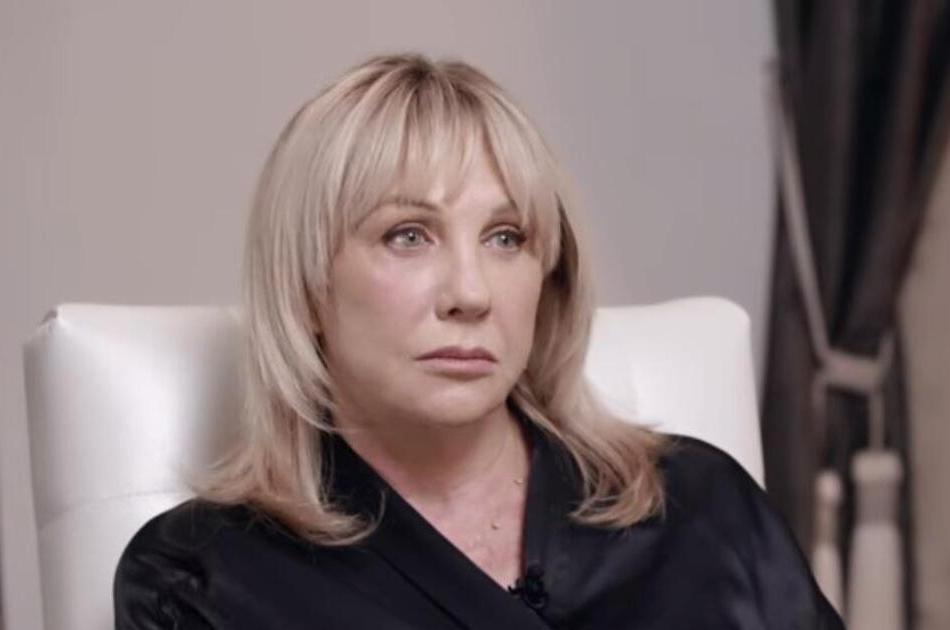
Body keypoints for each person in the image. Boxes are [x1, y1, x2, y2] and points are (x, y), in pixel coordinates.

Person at [113, 53, 844, 629]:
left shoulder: (702, 506)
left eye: (506, 237)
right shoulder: (199, 579)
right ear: (307, 288)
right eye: (408, 235)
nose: (471, 293)